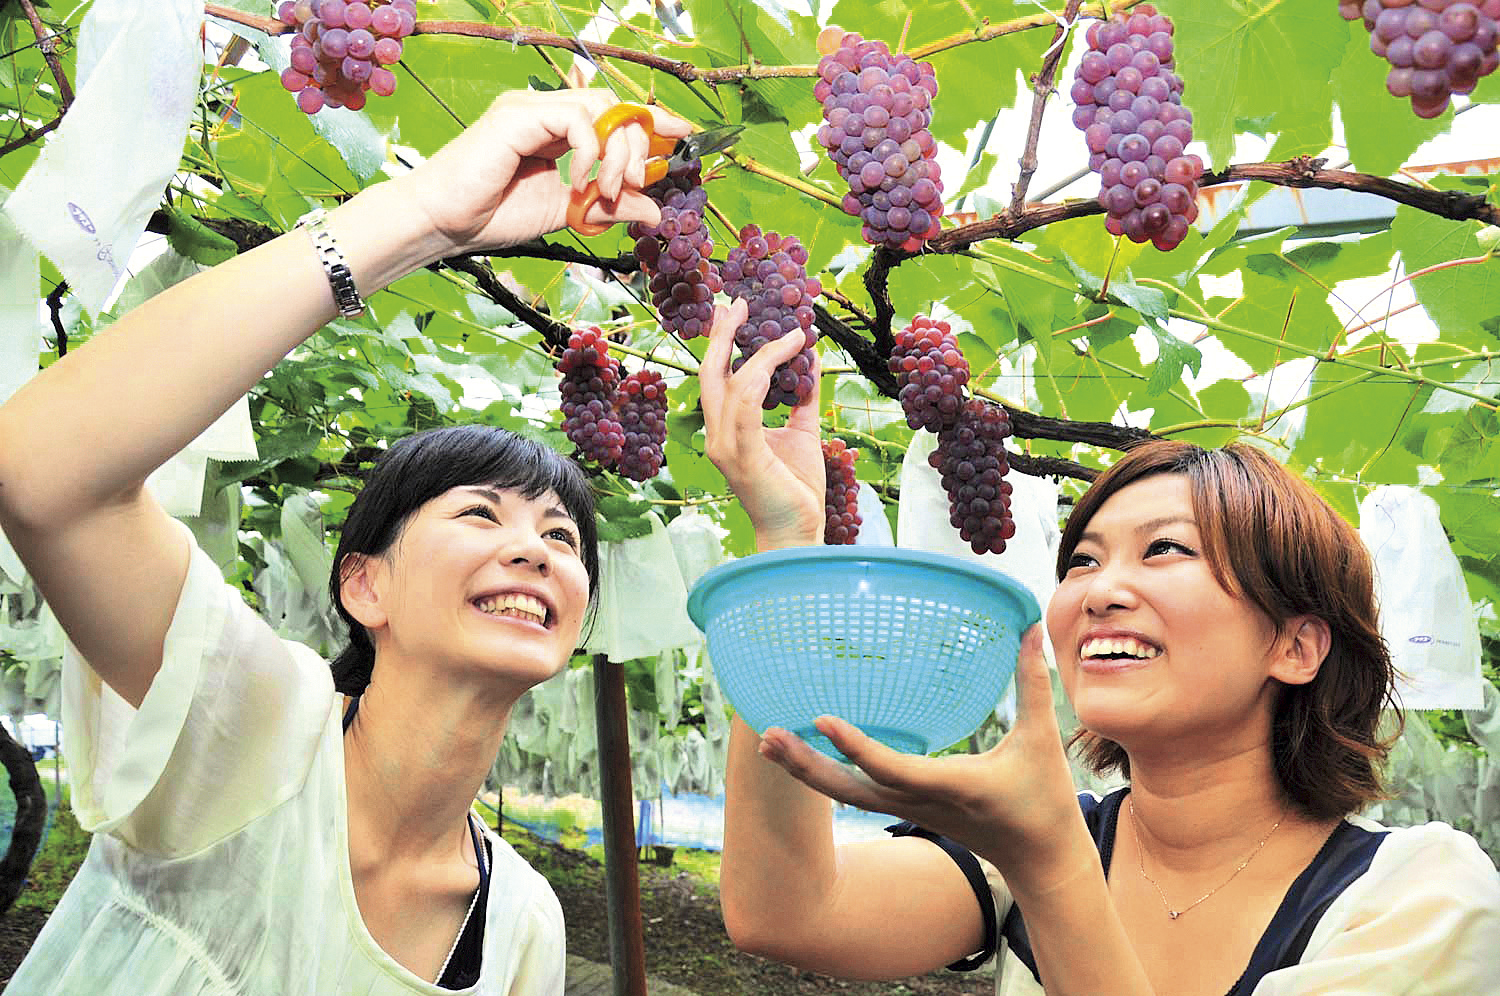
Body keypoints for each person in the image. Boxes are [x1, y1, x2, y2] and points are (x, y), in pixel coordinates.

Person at [0, 88, 692, 994]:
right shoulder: (256, 730)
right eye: (481, 514)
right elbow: (43, 471)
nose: (535, 551)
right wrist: (420, 218)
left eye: (562, 537)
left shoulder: (523, 921)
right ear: (364, 585)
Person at [697, 359, 1500, 996]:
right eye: (1082, 560)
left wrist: (1049, 866)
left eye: (1166, 549)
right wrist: (786, 543)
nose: (1097, 591)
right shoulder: (1047, 848)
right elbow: (789, 912)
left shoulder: (1421, 895)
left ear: (1295, 646)